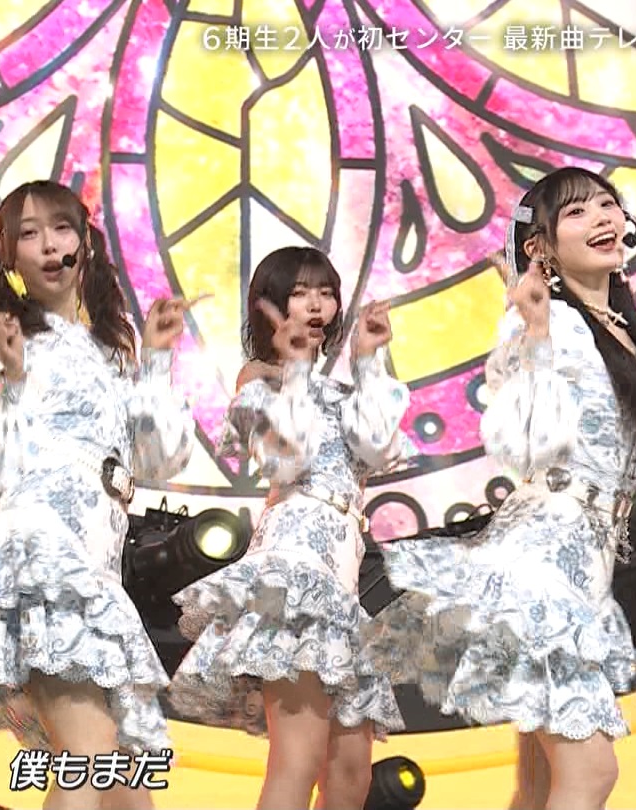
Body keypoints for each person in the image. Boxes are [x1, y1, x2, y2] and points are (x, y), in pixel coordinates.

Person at [366, 167, 636, 810]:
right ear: (541, 247)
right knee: (590, 774)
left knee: (539, 785)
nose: (603, 218)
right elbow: (521, 443)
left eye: (608, 205)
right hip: (542, 559)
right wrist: (532, 335)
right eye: (579, 212)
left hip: (588, 569)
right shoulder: (544, 321)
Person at [0, 180, 197, 810]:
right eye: (29, 234)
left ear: (84, 242)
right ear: (9, 256)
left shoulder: (114, 345)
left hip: (97, 559)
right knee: (87, 762)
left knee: (125, 791)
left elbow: (162, 457)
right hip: (41, 549)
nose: (50, 246)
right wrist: (6, 378)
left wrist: (159, 360)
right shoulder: (7, 336)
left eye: (60, 228)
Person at [168, 246, 410, 810]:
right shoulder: (261, 377)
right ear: (271, 305)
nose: (316, 305)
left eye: (326, 293)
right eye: (300, 293)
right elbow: (286, 460)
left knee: (349, 774)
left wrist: (370, 362)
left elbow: (380, 450)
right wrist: (297, 371)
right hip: (293, 569)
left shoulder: (346, 394)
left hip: (341, 584)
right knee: (297, 758)